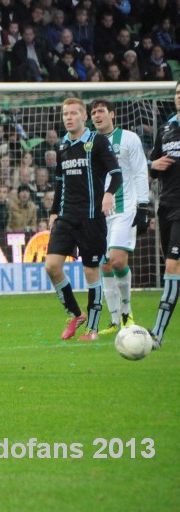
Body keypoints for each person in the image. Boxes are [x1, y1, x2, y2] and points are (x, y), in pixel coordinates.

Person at [45, 98, 122, 342]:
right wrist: (54, 211)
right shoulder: (62, 145)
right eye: (65, 113)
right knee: (52, 266)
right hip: (66, 217)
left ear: (84, 117)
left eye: (73, 113)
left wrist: (109, 194)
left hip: (91, 218)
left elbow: (116, 173)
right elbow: (59, 182)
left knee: (91, 271)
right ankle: (76, 314)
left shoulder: (97, 142)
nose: (68, 117)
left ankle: (93, 329)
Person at [90, 99, 150, 335]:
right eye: (93, 112)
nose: (97, 116)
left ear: (111, 114)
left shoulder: (128, 139)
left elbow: (139, 171)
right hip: (97, 213)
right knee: (104, 266)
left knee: (117, 261)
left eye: (101, 111)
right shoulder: (89, 142)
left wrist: (144, 206)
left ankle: (127, 313)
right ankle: (115, 321)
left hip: (125, 209)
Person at [147, 81, 180, 350]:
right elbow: (153, 166)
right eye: (178, 93)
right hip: (166, 205)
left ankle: (156, 333)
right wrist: (152, 164)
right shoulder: (167, 130)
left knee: (172, 267)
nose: (179, 97)